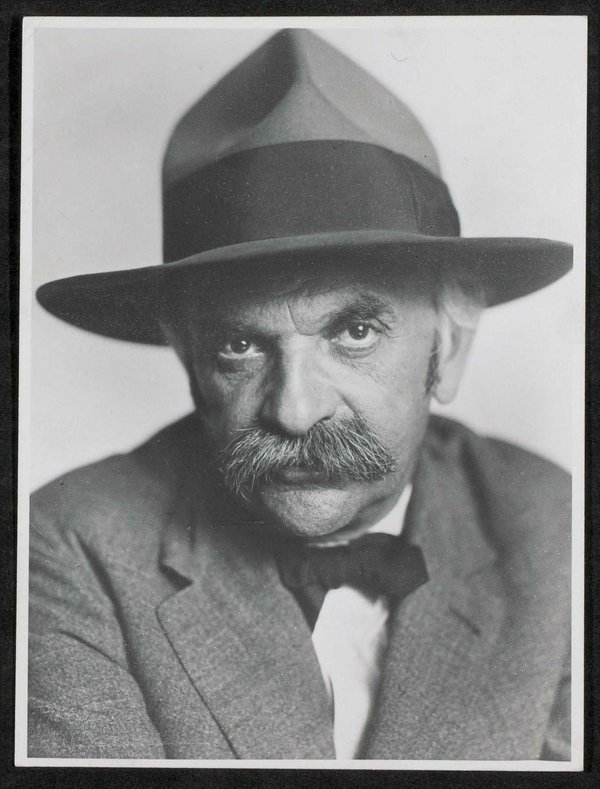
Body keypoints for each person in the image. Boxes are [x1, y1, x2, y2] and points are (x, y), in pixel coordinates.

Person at [29, 28, 573, 761]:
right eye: (239, 345)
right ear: (189, 359)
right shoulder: (72, 545)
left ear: (450, 342)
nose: (294, 410)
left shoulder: (559, 533)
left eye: (354, 331)